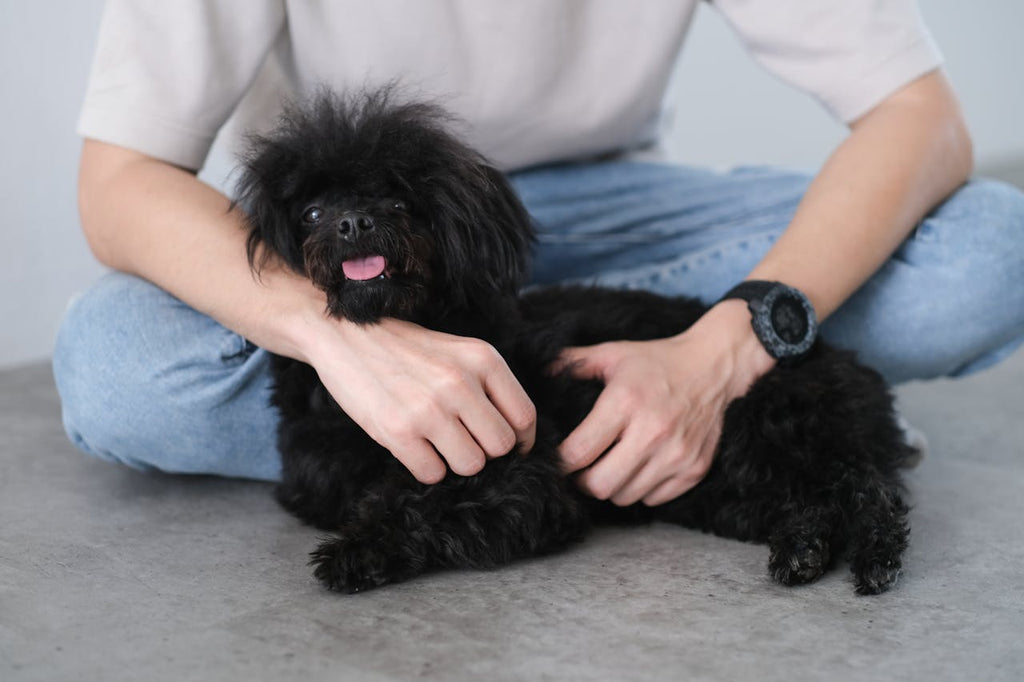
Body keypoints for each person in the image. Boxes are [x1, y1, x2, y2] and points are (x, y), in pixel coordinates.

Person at [54, 1, 1024, 507]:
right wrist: (338, 342)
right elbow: (121, 178)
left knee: (989, 248)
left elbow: (919, 115)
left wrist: (727, 345)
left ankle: (486, 430)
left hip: (612, 206)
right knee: (116, 367)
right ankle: (611, 425)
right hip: (349, 257)